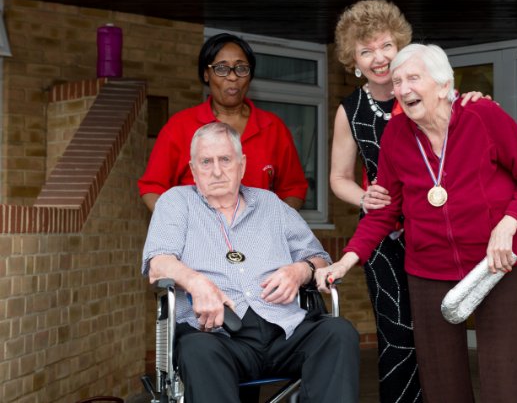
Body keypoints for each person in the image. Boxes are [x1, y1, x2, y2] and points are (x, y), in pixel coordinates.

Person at [318, 43, 517, 402]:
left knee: (505, 374)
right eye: (397, 81)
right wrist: (348, 259)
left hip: (498, 261)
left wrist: (508, 224)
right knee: (441, 379)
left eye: (413, 77)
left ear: (443, 85)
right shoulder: (395, 134)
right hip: (429, 267)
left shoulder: (483, 115)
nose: (403, 88)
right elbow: (385, 210)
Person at [331, 0, 488, 403]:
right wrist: (365, 197)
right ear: (354, 59)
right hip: (383, 241)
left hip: (436, 232)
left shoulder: (426, 91)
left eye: (385, 46)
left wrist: (477, 104)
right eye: (366, 51)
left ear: (399, 44)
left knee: (440, 336)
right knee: (397, 338)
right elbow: (337, 178)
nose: (379, 58)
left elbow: (469, 134)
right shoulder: (349, 110)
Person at [142, 122, 359, 403]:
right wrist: (196, 283)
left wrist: (300, 270)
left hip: (284, 331)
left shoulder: (271, 205)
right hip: (217, 334)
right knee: (198, 350)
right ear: (193, 169)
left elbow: (319, 259)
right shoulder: (176, 203)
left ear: (242, 165)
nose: (216, 170)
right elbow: (157, 263)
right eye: (206, 162)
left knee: (337, 332)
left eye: (225, 160)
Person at [138, 33, 308, 211]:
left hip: (257, 237)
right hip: (199, 236)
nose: (233, 77)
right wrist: (179, 227)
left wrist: (276, 224)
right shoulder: (180, 126)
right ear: (206, 74)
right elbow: (152, 188)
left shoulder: (273, 128)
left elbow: (293, 189)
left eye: (241, 68)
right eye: (221, 68)